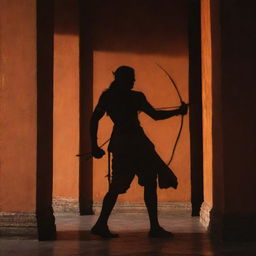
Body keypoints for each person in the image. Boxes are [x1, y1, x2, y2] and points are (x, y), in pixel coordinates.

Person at [90, 66, 188, 238]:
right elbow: (156, 116)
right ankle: (151, 227)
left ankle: (104, 224)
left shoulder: (108, 96)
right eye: (131, 78)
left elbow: (94, 119)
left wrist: (94, 145)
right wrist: (178, 112)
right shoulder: (135, 97)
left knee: (136, 183)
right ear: (122, 78)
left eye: (133, 78)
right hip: (135, 145)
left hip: (125, 144)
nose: (134, 81)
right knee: (132, 184)